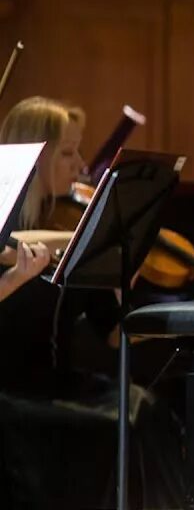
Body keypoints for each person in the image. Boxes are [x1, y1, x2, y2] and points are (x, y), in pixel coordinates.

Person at [0, 95, 184, 509]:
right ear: (36, 158)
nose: (81, 164)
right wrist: (24, 272)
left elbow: (113, 334)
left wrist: (122, 285)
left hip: (59, 382)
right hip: (11, 393)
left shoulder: (76, 231)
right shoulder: (6, 233)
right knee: (109, 426)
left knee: (144, 408)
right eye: (67, 152)